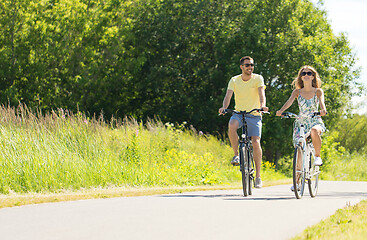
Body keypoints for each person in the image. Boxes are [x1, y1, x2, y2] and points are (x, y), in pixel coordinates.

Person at [219, 56, 268, 188]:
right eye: (247, 65)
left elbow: (261, 94)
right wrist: (224, 107)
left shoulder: (258, 78)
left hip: (254, 114)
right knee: (231, 125)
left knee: (256, 142)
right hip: (239, 113)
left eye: (251, 65)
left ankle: (258, 177)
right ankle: (236, 155)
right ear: (241, 67)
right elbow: (228, 96)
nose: (250, 68)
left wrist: (263, 106)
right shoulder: (234, 80)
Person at [276, 66, 327, 168]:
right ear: (301, 77)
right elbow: (288, 102)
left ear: (313, 77)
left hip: (314, 120)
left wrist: (323, 111)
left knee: (314, 130)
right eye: (304, 74)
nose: (306, 75)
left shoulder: (318, 91)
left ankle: (317, 156)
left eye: (309, 73)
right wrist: (281, 111)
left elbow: (322, 104)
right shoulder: (297, 92)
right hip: (301, 122)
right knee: (299, 149)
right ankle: (297, 182)